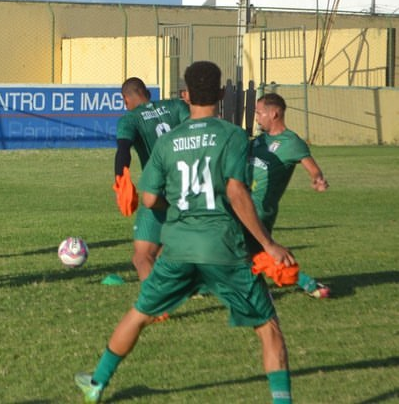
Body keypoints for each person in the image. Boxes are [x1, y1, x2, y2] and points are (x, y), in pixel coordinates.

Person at [75, 61, 296, 404]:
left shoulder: (167, 143)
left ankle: (96, 383)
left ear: (187, 95)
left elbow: (149, 199)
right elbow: (237, 191)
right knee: (267, 328)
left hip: (178, 247)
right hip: (223, 247)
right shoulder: (234, 135)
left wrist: (177, 206)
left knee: (138, 315)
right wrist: (267, 244)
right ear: (220, 93)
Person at [249, 92, 330, 298]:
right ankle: (306, 283)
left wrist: (318, 179)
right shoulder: (259, 141)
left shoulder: (291, 142)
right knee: (249, 251)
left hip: (260, 208)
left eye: (259, 113)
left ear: (274, 114)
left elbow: (313, 168)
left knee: (247, 250)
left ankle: (304, 282)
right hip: (243, 204)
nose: (256, 118)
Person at [113, 77, 189, 280]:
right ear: (146, 92)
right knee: (167, 251)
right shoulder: (177, 106)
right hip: (189, 186)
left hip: (157, 190)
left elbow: (123, 150)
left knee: (142, 257)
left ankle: (157, 299)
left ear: (125, 99)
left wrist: (120, 179)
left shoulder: (130, 119)